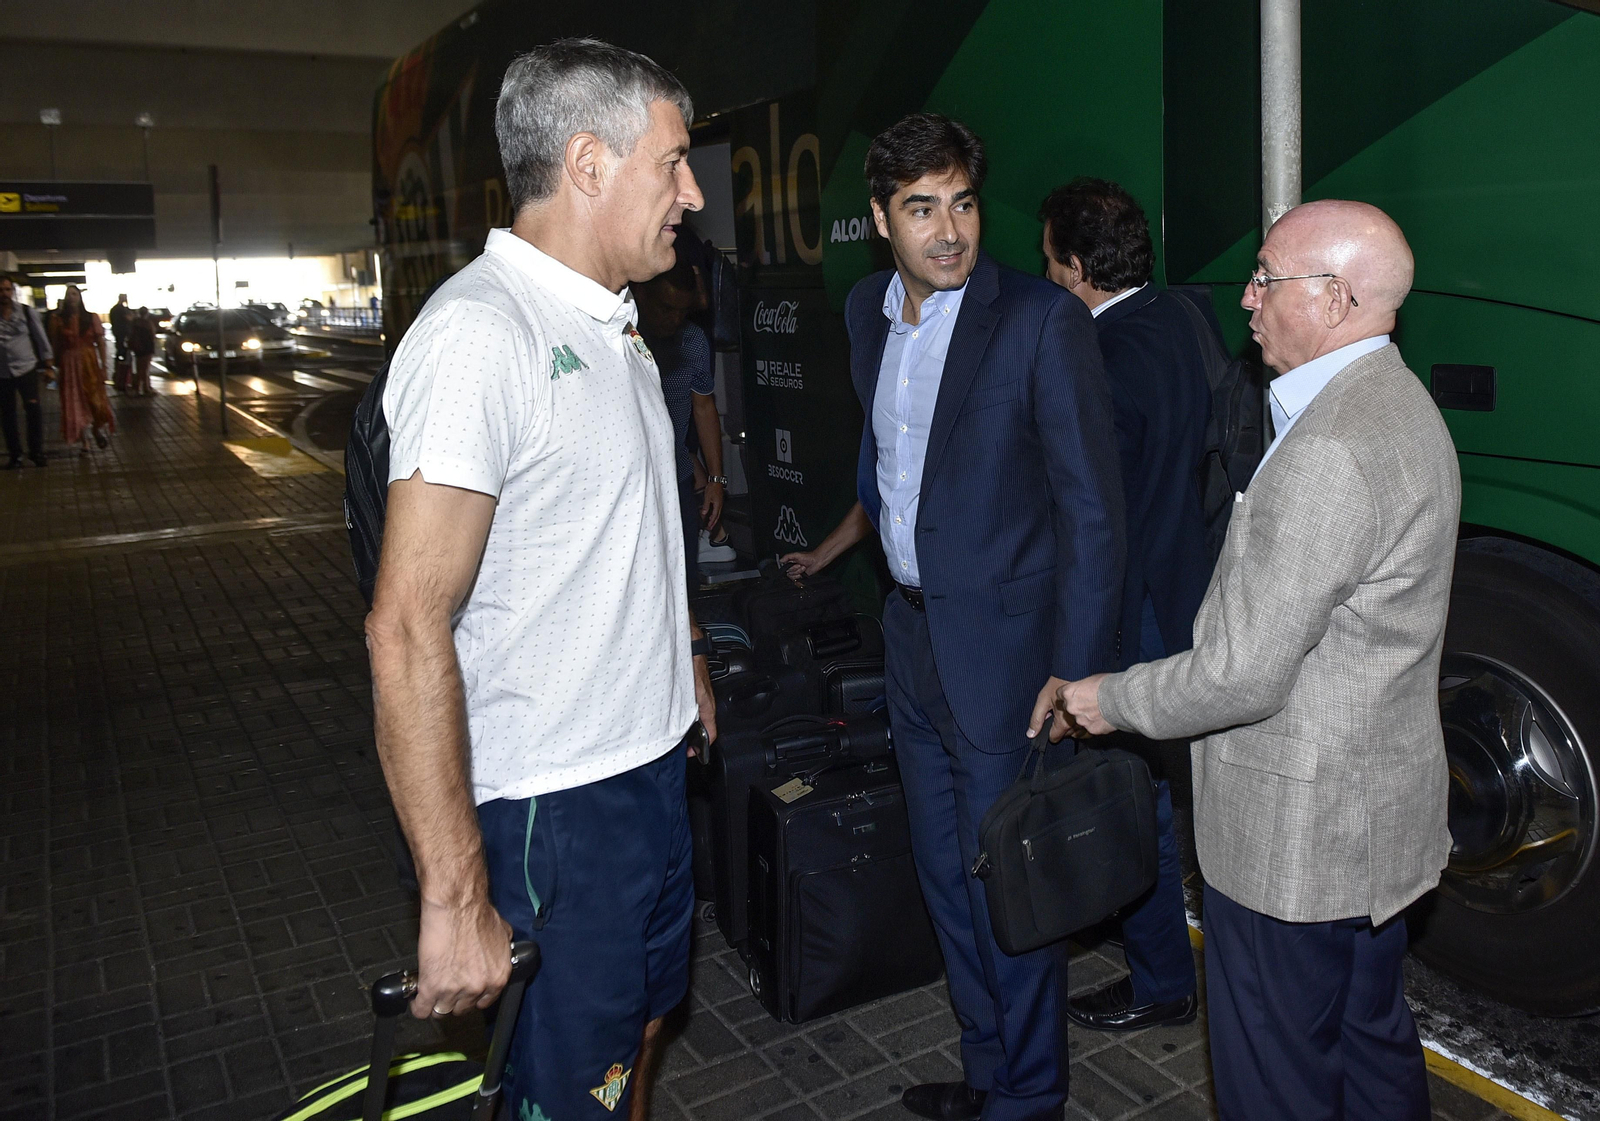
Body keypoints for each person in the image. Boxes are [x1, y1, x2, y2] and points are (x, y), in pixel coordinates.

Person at [364, 38, 713, 1121]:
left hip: (648, 771)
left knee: (639, 1035)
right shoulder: (482, 333)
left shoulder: (611, 324)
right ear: (588, 163)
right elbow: (407, 626)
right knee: (572, 1091)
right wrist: (457, 893)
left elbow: (619, 535)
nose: (692, 194)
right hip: (554, 809)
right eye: (674, 163)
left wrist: (684, 660)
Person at [1049, 200, 1458, 1121]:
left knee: (1276, 1082)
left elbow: (1241, 673)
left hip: (1296, 841)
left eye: (1268, 278)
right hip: (1373, 824)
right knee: (1370, 1042)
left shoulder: (1329, 450)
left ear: (1338, 298)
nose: (1246, 297)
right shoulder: (1401, 403)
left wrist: (1111, 697)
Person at [835, 113, 1124, 1121]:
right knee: (942, 880)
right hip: (910, 636)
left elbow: (1094, 510)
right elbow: (886, 468)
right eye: (921, 209)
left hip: (1010, 657)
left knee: (1010, 882)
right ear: (880, 218)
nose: (948, 231)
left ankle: (1032, 1093)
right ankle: (989, 1069)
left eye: (961, 203)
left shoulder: (1040, 322)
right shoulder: (864, 313)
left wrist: (1078, 672)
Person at [1037, 178, 1213, 1032]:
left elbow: (1091, 509)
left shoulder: (1096, 358)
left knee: (1133, 798)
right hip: (1192, 594)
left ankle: (1159, 980)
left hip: (1133, 613)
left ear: (1076, 269)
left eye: (1049, 263)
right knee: (1175, 793)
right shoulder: (1189, 319)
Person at [633, 262, 730, 593]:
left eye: (681, 310)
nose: (673, 318)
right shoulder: (621, 341)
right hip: (633, 486)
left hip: (679, 481)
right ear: (643, 296)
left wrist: (716, 480)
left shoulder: (692, 340)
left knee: (685, 585)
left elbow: (704, 407)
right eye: (666, 308)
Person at [48, 286, 114, 455]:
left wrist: (104, 365)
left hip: (88, 363)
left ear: (79, 297)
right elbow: (55, 343)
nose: (71, 297)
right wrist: (52, 366)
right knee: (74, 402)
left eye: (74, 294)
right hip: (68, 364)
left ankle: (96, 429)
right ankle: (84, 440)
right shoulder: (58, 319)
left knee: (95, 401)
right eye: (68, 295)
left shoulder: (91, 318)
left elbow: (100, 342)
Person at [0, 277, 53, 468]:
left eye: (7, 290)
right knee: (7, 415)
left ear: (12, 291)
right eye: (1, 290)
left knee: (33, 410)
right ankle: (15, 455)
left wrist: (48, 365)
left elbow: (41, 338)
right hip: (3, 373)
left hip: (26, 368)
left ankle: (36, 451)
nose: (4, 294)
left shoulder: (26, 312)